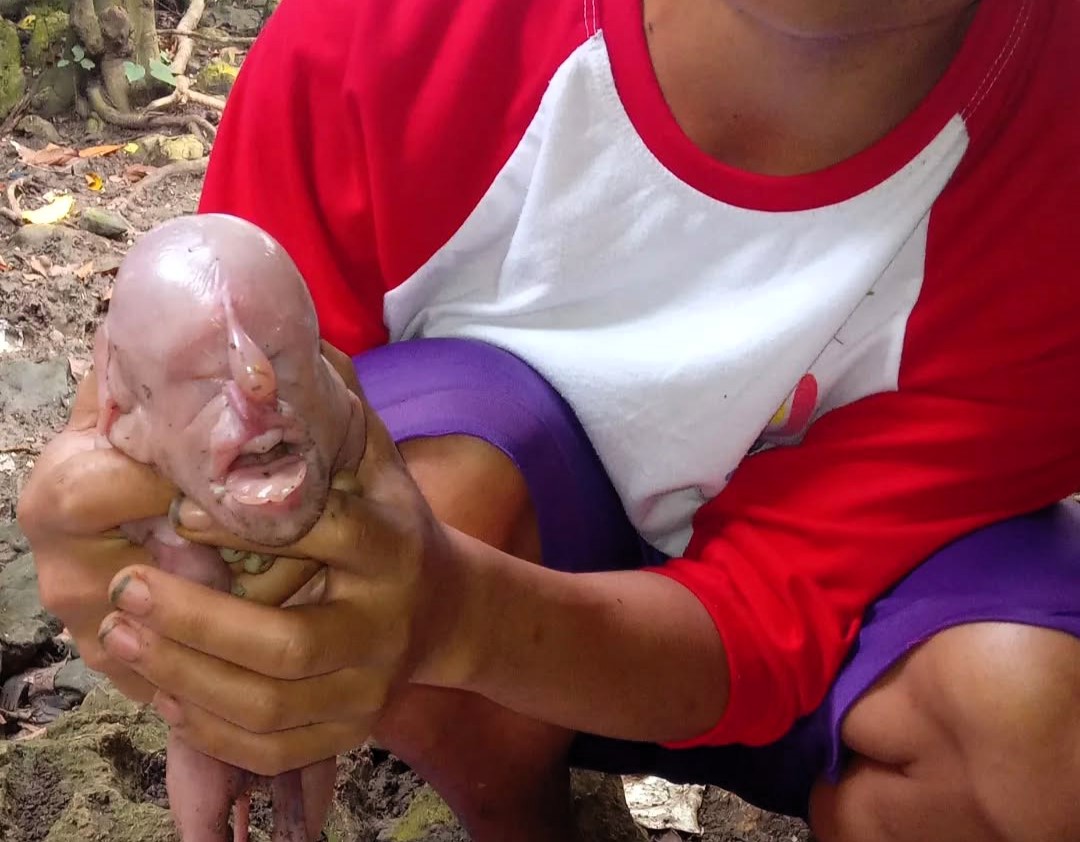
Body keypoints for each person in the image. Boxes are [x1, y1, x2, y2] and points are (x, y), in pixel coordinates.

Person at [17, 0, 1080, 840]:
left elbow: (772, 618)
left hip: (827, 637)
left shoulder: (1054, 169)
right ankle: (518, 817)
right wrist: (203, 656)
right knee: (394, 506)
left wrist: (451, 612)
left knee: (1035, 740)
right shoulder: (390, 30)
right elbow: (200, 413)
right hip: (481, 570)